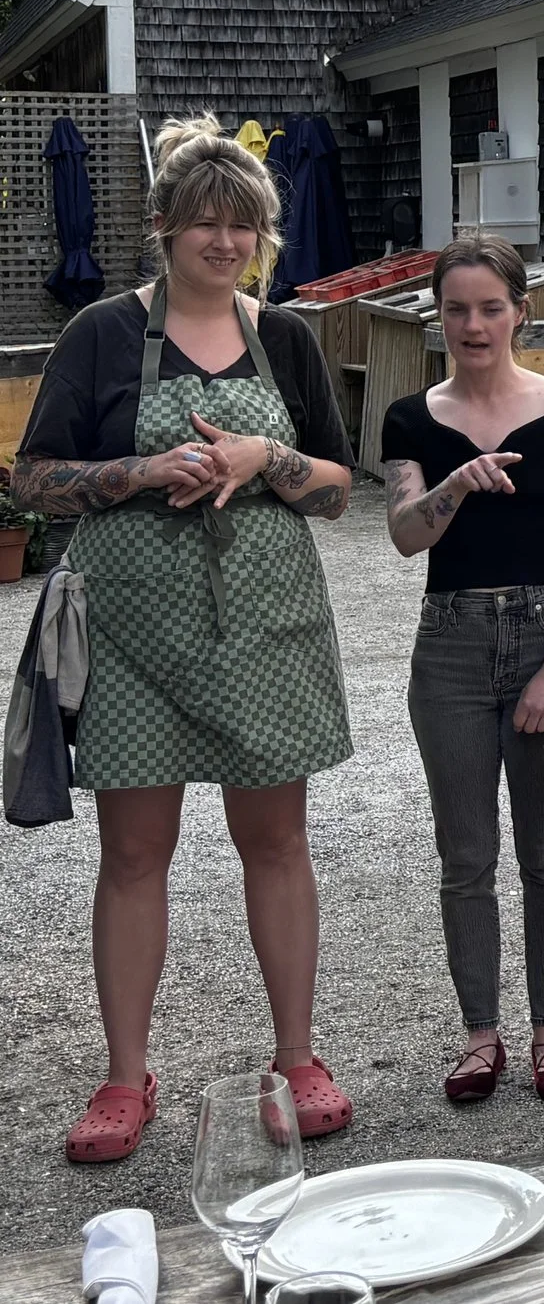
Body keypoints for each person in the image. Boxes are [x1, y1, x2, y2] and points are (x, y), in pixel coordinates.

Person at [13, 114, 357, 1161]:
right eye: (205, 222)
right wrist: (142, 472)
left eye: (241, 224)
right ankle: (126, 1078)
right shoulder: (102, 334)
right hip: (133, 642)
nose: (224, 241)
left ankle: (297, 1058)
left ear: (261, 234)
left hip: (268, 633)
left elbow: (338, 486)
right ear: (164, 226)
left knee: (278, 843)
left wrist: (265, 459)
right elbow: (32, 479)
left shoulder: (285, 337)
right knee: (132, 854)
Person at [381, 235, 544, 1104]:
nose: (473, 325)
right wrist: (457, 485)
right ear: (438, 317)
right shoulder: (410, 417)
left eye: (489, 307)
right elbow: (405, 535)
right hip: (450, 644)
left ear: (520, 311)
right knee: (466, 855)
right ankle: (481, 1034)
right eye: (456, 309)